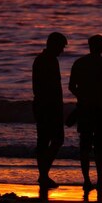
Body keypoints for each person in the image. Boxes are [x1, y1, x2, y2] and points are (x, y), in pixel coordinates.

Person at [68, 34, 102, 192]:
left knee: (84, 145)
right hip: (99, 108)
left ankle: (86, 181)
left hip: (84, 108)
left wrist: (82, 97)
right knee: (101, 146)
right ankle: (100, 181)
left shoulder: (79, 63)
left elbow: (71, 86)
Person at [32, 32, 68, 189]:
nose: (62, 50)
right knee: (54, 139)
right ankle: (43, 174)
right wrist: (56, 107)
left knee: (45, 141)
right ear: (54, 45)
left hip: (43, 105)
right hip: (48, 106)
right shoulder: (47, 61)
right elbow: (49, 88)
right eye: (61, 46)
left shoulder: (44, 60)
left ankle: (43, 174)